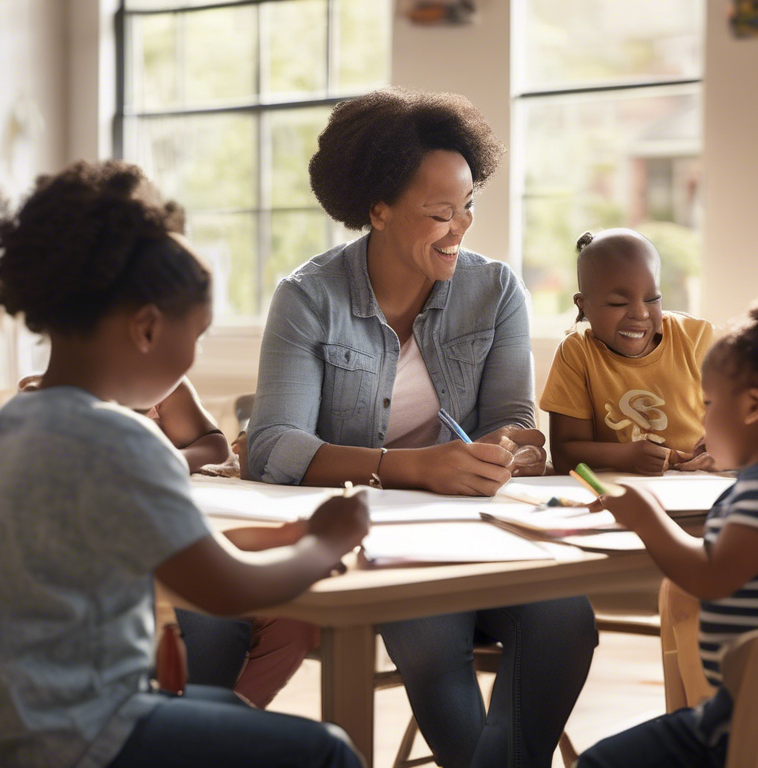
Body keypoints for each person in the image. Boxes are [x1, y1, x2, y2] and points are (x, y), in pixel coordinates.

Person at [0, 160, 369, 768]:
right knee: (328, 750)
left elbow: (167, 548)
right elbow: (228, 591)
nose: (196, 354)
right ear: (147, 327)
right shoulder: (118, 439)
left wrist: (281, 538)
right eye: (198, 334)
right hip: (92, 739)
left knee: (226, 714)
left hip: (16, 726)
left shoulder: (14, 424)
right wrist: (325, 543)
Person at [244, 87, 596, 768]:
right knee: (433, 636)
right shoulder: (308, 298)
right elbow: (271, 447)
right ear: (376, 209)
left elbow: (514, 424)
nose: (460, 229)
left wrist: (510, 452)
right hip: (378, 540)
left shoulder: (494, 292)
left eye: (467, 207)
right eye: (439, 213)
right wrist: (411, 467)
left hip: (479, 529)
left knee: (566, 620)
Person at [580, 295, 758, 766]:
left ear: (752, 406)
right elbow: (730, 562)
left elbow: (709, 577)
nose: (703, 419)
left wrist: (648, 519)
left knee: (598, 762)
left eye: (709, 404)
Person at [541, 229, 716, 475]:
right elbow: (564, 455)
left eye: (653, 299)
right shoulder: (577, 353)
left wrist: (722, 448)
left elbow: (747, 424)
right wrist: (625, 456)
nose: (641, 313)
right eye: (618, 303)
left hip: (696, 484)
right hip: (614, 491)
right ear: (584, 306)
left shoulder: (698, 339)